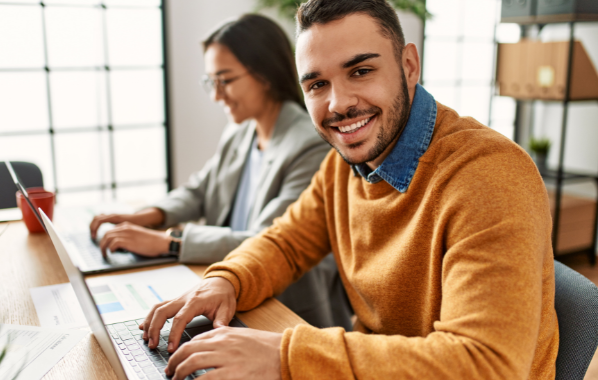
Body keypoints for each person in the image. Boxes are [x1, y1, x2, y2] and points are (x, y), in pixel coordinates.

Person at [138, 0, 560, 379]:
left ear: (409, 66)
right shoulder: (344, 166)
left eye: (361, 71)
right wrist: (226, 281)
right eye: (317, 84)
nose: (338, 103)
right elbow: (284, 244)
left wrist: (286, 356)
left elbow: (486, 366)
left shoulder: (488, 176)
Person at [89, 14, 351, 330]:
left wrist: (168, 242)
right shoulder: (241, 131)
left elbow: (267, 242)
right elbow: (200, 190)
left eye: (224, 81)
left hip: (286, 312)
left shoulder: (310, 143)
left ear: (264, 74)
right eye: (210, 82)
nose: (216, 95)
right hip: (228, 288)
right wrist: (146, 216)